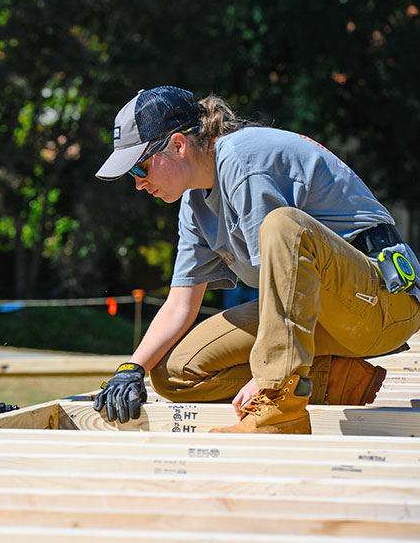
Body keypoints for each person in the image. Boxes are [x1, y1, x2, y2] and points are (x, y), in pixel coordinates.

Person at [92, 86, 420, 434]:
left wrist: (267, 378)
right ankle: (335, 381)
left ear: (178, 145)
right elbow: (179, 305)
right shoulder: (193, 205)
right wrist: (131, 370)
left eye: (139, 168)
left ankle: (280, 404)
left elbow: (286, 264)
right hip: (318, 315)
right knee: (174, 373)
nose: (139, 184)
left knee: (283, 226)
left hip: (383, 304)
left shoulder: (239, 157)